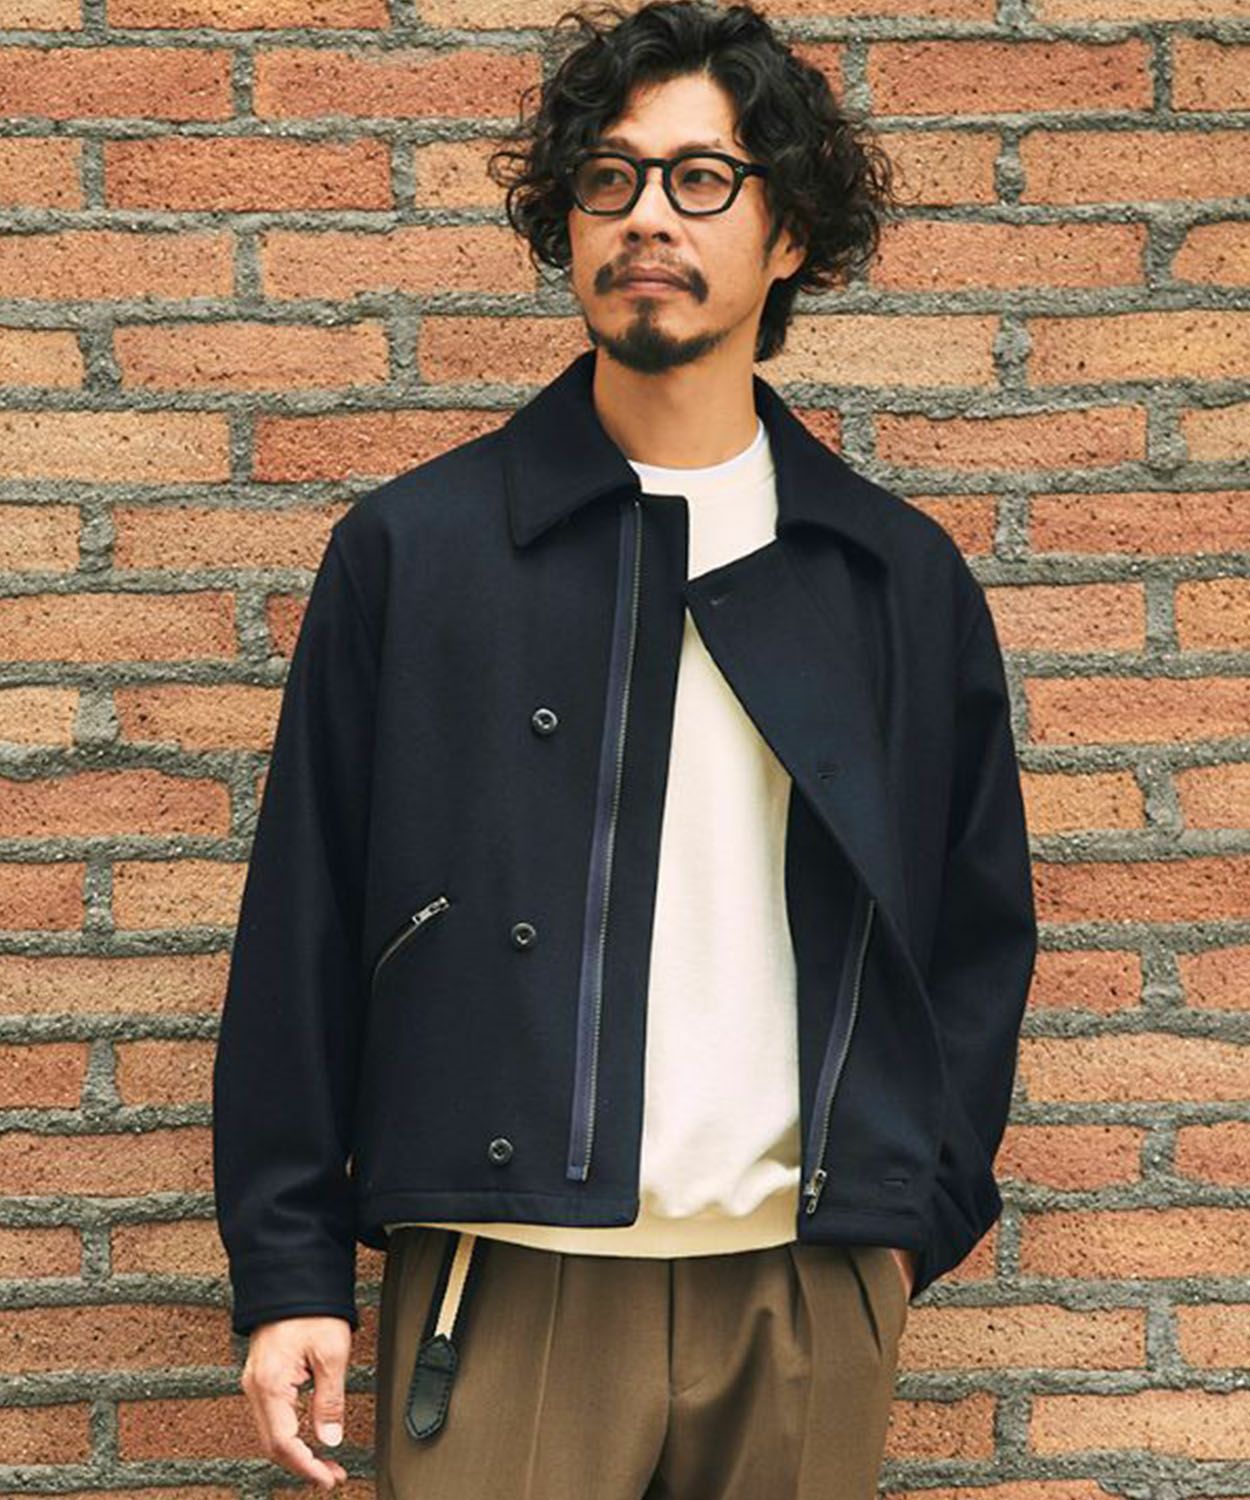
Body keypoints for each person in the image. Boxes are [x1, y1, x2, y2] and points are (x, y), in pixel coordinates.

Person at [210, 3, 1038, 1497]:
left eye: (701, 179)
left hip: (807, 1285)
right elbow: (302, 923)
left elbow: (977, 935)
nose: (648, 215)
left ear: (790, 235)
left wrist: (911, 1221)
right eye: (610, 178)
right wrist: (287, 1268)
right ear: (569, 221)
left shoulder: (891, 579)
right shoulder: (418, 552)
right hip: (507, 1273)